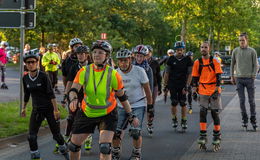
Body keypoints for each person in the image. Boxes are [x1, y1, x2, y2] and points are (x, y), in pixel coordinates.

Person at [67, 40, 139, 160]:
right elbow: (73, 89)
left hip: (107, 114)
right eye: (94, 52)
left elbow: (122, 97)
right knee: (73, 146)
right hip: (87, 112)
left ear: (107, 56)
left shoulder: (113, 74)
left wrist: (131, 115)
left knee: (105, 147)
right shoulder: (84, 71)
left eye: (100, 52)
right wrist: (73, 99)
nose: (96, 55)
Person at [21, 51, 69, 160]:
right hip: (36, 110)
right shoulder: (25, 78)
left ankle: (66, 154)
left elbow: (51, 94)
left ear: (37, 62)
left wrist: (56, 110)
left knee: (56, 136)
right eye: (28, 62)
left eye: (33, 62)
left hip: (49, 109)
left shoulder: (43, 76)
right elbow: (27, 94)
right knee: (31, 137)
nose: (30, 64)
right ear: (25, 64)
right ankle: (36, 157)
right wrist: (23, 108)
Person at [112, 49, 153, 160]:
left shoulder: (139, 71)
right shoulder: (115, 73)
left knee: (135, 131)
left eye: (125, 60)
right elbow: (112, 92)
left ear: (130, 60)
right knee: (116, 131)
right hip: (121, 105)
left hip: (138, 104)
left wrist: (150, 107)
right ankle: (115, 151)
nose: (123, 63)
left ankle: (136, 153)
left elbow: (148, 91)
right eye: (120, 61)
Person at [56, 45, 93, 153]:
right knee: (71, 117)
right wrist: (65, 97)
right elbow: (69, 83)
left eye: (82, 54)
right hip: (75, 95)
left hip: (89, 97)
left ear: (87, 55)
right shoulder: (74, 67)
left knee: (87, 118)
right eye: (78, 54)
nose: (80, 56)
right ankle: (66, 136)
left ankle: (88, 137)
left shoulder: (92, 67)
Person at [192, 41, 223, 152]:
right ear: (200, 49)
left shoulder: (215, 61)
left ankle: (216, 134)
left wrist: (217, 89)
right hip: (203, 89)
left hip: (214, 89)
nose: (203, 49)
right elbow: (195, 78)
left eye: (205, 47)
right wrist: (194, 91)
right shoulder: (197, 62)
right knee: (202, 111)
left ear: (209, 49)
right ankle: (203, 134)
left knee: (215, 113)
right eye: (202, 47)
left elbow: (219, 76)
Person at [230, 32, 258, 131]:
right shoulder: (235, 51)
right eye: (240, 40)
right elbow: (232, 64)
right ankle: (244, 119)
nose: (241, 42)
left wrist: (253, 75)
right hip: (239, 79)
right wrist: (232, 76)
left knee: (251, 101)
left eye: (243, 40)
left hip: (249, 79)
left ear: (247, 40)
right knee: (242, 101)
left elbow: (256, 65)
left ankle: (253, 119)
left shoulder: (252, 51)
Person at [163, 41, 193, 132]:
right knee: (174, 102)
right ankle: (174, 118)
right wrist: (165, 85)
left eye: (181, 50)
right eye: (177, 50)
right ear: (175, 50)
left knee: (183, 103)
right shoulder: (171, 59)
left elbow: (190, 74)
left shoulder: (188, 59)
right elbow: (167, 73)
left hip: (183, 84)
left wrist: (187, 85)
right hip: (173, 84)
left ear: (183, 50)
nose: (179, 51)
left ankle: (184, 120)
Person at [132, 45, 154, 136]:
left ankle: (149, 123)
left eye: (141, 56)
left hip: (144, 94)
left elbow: (150, 85)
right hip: (134, 93)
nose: (139, 58)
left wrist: (150, 100)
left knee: (148, 111)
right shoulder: (131, 66)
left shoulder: (148, 69)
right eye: (137, 56)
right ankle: (135, 127)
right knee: (133, 112)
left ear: (145, 57)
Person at [146, 45, 162, 135]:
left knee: (151, 105)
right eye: (145, 52)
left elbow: (159, 76)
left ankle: (150, 123)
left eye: (148, 52)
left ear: (151, 53)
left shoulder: (155, 63)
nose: (147, 54)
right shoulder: (139, 62)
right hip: (141, 87)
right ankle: (135, 125)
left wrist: (160, 87)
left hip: (153, 86)